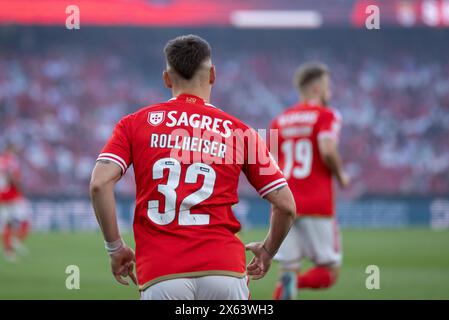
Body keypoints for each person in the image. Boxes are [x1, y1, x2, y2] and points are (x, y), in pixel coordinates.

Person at [90, 34, 296, 300]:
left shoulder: (133, 124)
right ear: (213, 75)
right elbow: (287, 205)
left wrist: (115, 247)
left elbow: (99, 184)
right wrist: (268, 252)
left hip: (162, 273)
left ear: (166, 78)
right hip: (225, 271)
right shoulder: (242, 132)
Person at [270, 62, 350, 300]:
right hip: (317, 204)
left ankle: (289, 283)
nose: (330, 92)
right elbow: (327, 150)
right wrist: (340, 175)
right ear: (317, 88)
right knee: (330, 271)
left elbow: (269, 163)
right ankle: (295, 282)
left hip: (284, 203)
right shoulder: (327, 115)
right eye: (328, 86)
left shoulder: (280, 120)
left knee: (288, 268)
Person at [0, 143, 31, 262]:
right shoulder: (11, 160)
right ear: (11, 149)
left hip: (2, 197)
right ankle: (16, 239)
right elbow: (11, 176)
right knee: (25, 220)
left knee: (7, 224)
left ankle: (9, 252)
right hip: (13, 195)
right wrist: (19, 187)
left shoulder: (1, 160)